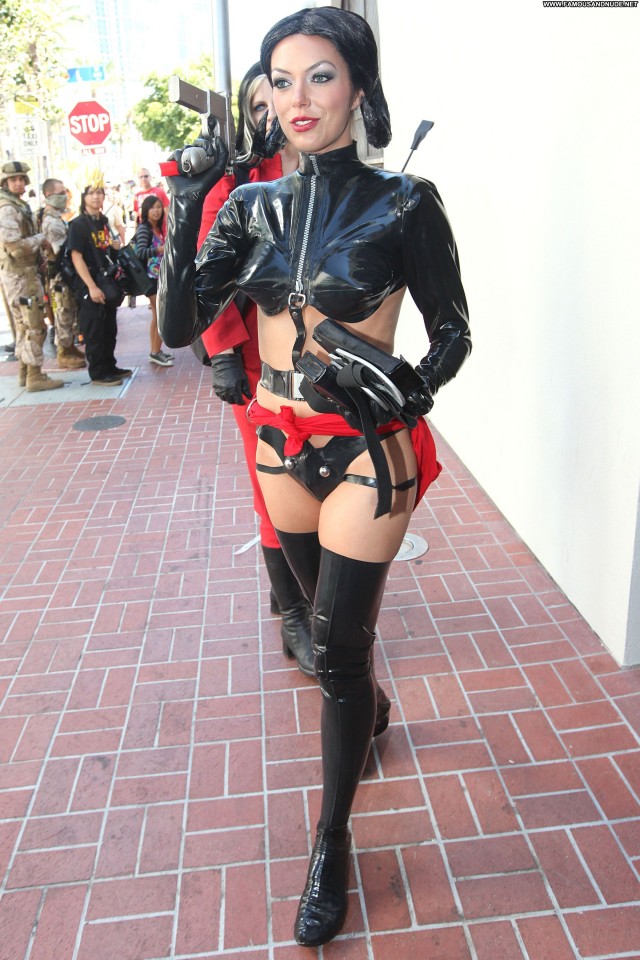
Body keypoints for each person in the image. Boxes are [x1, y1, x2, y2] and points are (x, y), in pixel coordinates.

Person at [158, 7, 471, 946]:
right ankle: (368, 706)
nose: (299, 98)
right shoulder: (248, 208)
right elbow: (177, 326)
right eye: (281, 81)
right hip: (276, 443)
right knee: (329, 638)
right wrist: (188, 205)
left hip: (366, 450)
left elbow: (454, 329)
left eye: (321, 76)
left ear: (358, 88)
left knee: (333, 650)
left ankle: (331, 841)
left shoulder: (406, 202)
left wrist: (411, 387)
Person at [195, 62, 314, 675]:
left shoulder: (329, 172)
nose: (277, 113)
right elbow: (206, 274)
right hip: (256, 361)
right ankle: (295, 614)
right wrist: (221, 352)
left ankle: (297, 586)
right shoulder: (235, 185)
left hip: (325, 358)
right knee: (275, 478)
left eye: (284, 95)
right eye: (260, 106)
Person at [0, 160, 63, 392]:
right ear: (5, 182)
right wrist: (40, 239)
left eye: (21, 179)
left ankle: (25, 372)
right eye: (13, 179)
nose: (18, 183)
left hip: (24, 273)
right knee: (35, 326)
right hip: (20, 275)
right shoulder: (8, 208)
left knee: (24, 327)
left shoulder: (17, 205)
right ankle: (34, 376)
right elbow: (15, 247)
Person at [67, 184, 131, 386]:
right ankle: (98, 373)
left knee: (109, 328)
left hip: (106, 282)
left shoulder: (103, 221)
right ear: (84, 197)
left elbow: (106, 251)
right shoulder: (78, 225)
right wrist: (91, 287)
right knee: (94, 330)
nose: (96, 197)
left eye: (99, 193)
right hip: (89, 285)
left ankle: (109, 366)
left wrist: (114, 247)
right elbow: (76, 257)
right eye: (91, 193)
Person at [40, 178, 86, 370]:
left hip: (64, 274)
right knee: (63, 311)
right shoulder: (51, 222)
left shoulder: (57, 218)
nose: (64, 196)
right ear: (48, 195)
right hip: (59, 275)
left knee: (69, 309)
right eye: (60, 193)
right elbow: (61, 252)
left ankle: (69, 347)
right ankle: (63, 351)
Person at [133, 195, 173, 366]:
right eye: (152, 208)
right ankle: (155, 352)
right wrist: (160, 249)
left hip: (159, 278)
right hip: (150, 280)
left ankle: (157, 350)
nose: (156, 211)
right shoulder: (144, 229)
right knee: (159, 315)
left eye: (158, 207)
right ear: (145, 210)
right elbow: (140, 252)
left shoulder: (158, 228)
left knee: (160, 315)